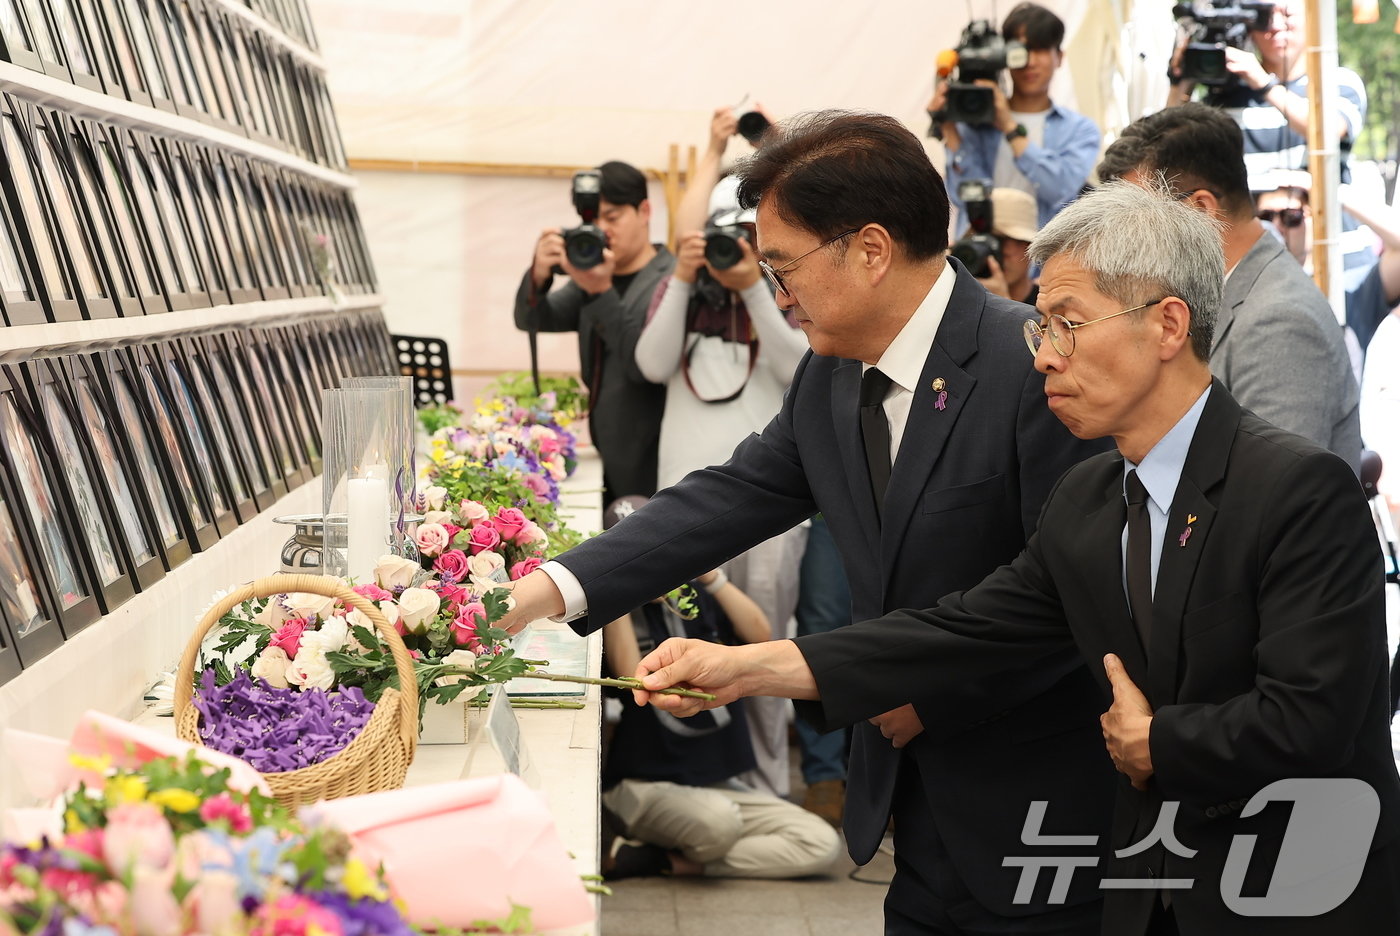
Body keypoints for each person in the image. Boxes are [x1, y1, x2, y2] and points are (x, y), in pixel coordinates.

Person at [631, 179, 1400, 936]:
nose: (1043, 359)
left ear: (1169, 326)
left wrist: (1155, 743)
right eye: (1040, 328)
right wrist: (750, 669)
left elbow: (1313, 719)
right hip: (1150, 891)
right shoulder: (1093, 498)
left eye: (1069, 324)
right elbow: (964, 630)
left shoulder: (1297, 489)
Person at [506, 110, 1113, 935]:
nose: (776, 295)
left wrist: (867, 682)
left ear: (869, 250)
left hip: (1041, 807)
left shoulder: (1031, 368)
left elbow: (1063, 600)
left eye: (783, 268)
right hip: (912, 823)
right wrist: (541, 591)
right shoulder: (831, 378)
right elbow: (723, 499)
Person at [635, 106, 810, 798]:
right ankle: (705, 786)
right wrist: (682, 278)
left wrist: (756, 293)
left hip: (773, 510)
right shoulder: (681, 291)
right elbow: (652, 366)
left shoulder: (784, 295)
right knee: (686, 642)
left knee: (770, 651)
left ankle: (769, 789)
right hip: (690, 503)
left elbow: (802, 368)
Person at [1097, 102, 1361, 474]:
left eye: (1138, 218)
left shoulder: (1278, 321)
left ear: (1201, 211)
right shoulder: (1226, 295)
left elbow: (1273, 494)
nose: (1125, 240)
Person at [599, 498, 840, 881]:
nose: (649, 563)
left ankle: (659, 860)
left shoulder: (695, 598)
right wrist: (619, 590)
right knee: (717, 825)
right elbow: (634, 679)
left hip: (713, 783)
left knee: (818, 842)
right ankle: (666, 839)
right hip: (644, 785)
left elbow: (760, 635)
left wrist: (708, 574)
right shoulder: (620, 616)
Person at [513, 161, 675, 501]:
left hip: (652, 459)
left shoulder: (670, 280)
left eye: (612, 217)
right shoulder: (594, 276)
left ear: (644, 210)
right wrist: (539, 275)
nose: (602, 229)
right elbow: (534, 319)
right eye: (592, 219)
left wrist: (600, 291)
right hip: (607, 450)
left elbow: (643, 365)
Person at [931, 2, 1100, 232]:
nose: (1029, 62)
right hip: (980, 256)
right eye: (1019, 51)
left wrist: (1009, 126)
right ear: (1003, 58)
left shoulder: (1080, 130)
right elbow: (964, 197)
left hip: (1039, 260)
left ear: (1059, 57)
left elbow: (1059, 189)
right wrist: (950, 129)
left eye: (1040, 49)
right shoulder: (976, 118)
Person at [1255, 171, 1400, 365]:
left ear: (1315, 219)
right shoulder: (1249, 291)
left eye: (1291, 216)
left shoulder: (1349, 291)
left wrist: (1330, 190)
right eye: (1265, 217)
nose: (1276, 226)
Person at [977, 187, 1040, 305]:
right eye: (987, 242)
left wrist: (1001, 304)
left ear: (1031, 247)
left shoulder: (1047, 305)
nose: (999, 252)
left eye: (1004, 240)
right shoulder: (965, 295)